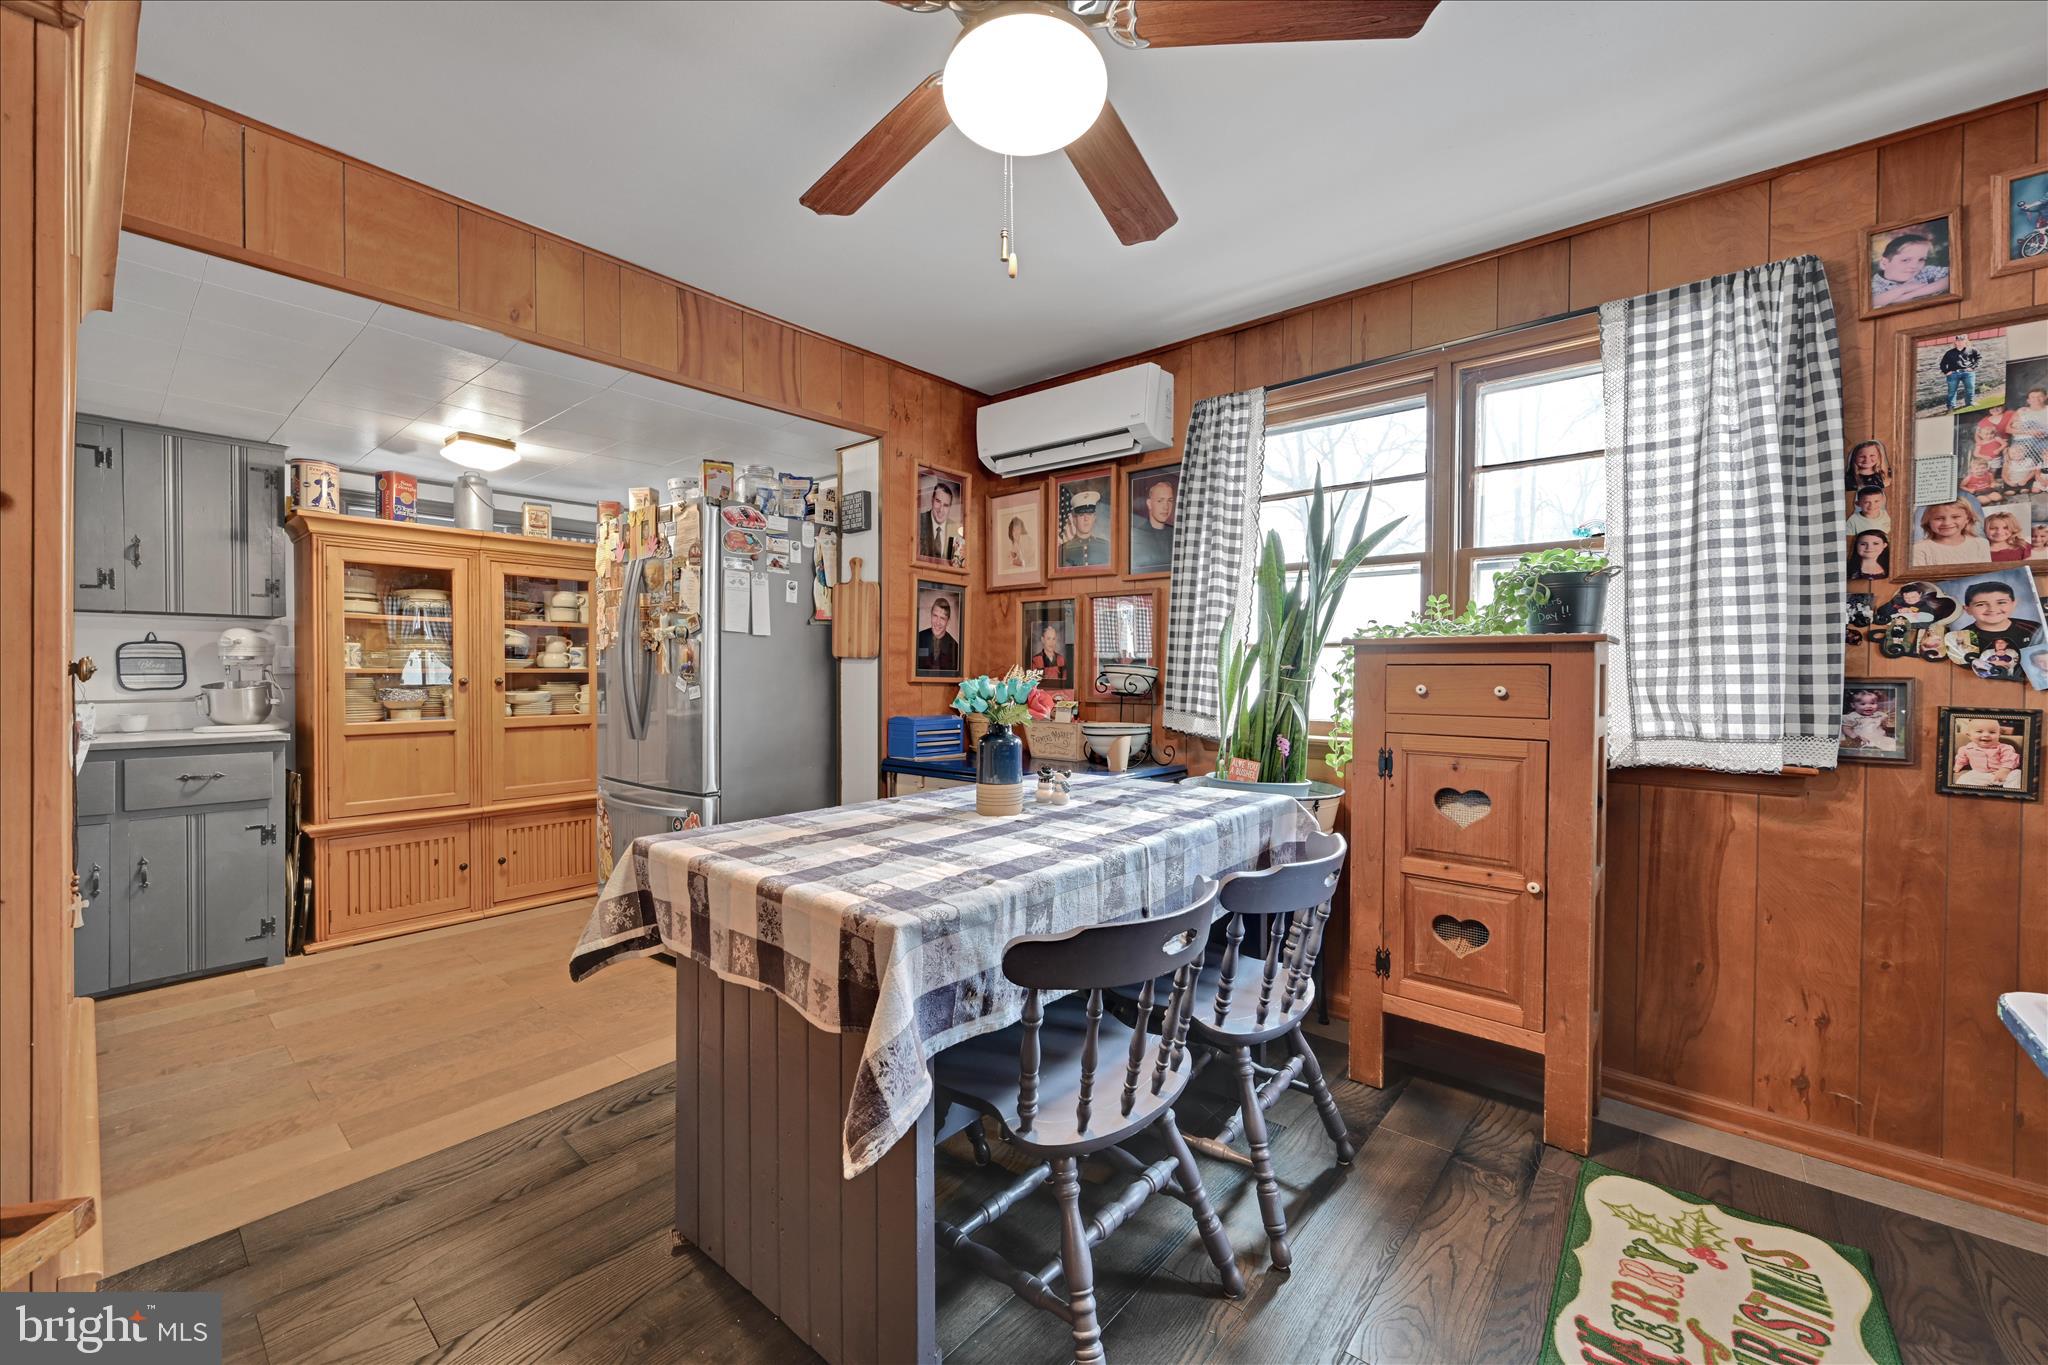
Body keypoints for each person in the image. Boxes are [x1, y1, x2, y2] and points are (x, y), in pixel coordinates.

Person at [1953, 579, 2041, 653]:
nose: (1992, 609)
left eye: (2001, 602)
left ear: (2013, 604)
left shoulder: (2035, 628)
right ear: (1968, 609)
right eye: (1981, 604)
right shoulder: (1962, 638)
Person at [1871, 230, 1950, 309]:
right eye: (1905, 260)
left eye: (1921, 259)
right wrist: (1902, 289)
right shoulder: (1874, 284)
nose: (1914, 266)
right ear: (1884, 263)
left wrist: (1911, 294)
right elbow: (1873, 302)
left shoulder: (1924, 271)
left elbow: (1955, 276)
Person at [1950, 715, 2022, 789]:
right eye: (1979, 731)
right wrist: (1958, 766)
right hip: (1979, 774)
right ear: (1969, 735)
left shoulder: (2005, 748)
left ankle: (2011, 792)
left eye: (1992, 732)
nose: (1986, 735)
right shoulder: (1966, 749)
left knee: (2017, 774)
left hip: (2002, 774)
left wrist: (2005, 770)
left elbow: (2010, 759)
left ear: (1999, 734)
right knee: (1964, 779)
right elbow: (1961, 758)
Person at [1915, 500, 1991, 565]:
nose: (1947, 523)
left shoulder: (1981, 544)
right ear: (1928, 521)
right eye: (1939, 518)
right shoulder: (1919, 549)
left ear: (1967, 519)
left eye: (1955, 517)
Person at [1128, 474, 1177, 574]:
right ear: (1149, 504)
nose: (1166, 507)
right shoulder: (1137, 534)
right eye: (1160, 501)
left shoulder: (1177, 535)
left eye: (1170, 501)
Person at [2004, 388, 2048, 493]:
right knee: (2019, 454)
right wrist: (2029, 432)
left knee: (2045, 455)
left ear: (2046, 397)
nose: (2036, 399)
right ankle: (2025, 481)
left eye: (2039, 396)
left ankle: (2041, 480)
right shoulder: (2022, 411)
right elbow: (2008, 429)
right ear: (2028, 400)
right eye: (2033, 397)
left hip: (2044, 440)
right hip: (2025, 441)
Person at [1057, 489, 1111, 568]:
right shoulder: (1063, 550)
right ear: (1075, 520)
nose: (1086, 519)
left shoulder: (1106, 546)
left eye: (1089, 514)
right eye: (1081, 515)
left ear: (1094, 518)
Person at [919, 479, 964, 566]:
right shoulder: (919, 521)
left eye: (946, 505)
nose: (941, 509)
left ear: (950, 507)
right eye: (938, 501)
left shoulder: (957, 530)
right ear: (932, 500)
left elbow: (957, 565)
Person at [915, 593, 959, 674]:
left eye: (942, 618)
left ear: (948, 621)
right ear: (931, 615)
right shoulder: (917, 638)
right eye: (935, 616)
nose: (937, 622)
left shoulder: (955, 648)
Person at [1938, 334, 1981, 410]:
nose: (1960, 342)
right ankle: (1951, 406)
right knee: (1952, 391)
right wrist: (1946, 372)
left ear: (1966, 341)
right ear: (1955, 342)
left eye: (1962, 340)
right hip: (1953, 374)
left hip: (1968, 373)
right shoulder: (1949, 353)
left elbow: (1978, 358)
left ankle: (1969, 403)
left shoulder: (1972, 350)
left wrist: (1973, 367)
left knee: (1970, 388)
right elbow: (1942, 364)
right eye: (1958, 341)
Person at [1027, 620, 1068, 687]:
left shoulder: (1061, 659)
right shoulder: (1036, 660)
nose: (1051, 642)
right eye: (1048, 638)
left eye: (1053, 639)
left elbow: (1065, 682)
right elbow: (1034, 682)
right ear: (1043, 640)